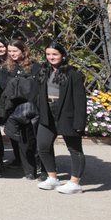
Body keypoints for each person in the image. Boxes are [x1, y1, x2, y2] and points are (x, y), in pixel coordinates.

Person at [33, 42, 87, 194]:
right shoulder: (44, 71)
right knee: (43, 146)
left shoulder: (73, 74)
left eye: (55, 54)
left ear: (62, 55)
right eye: (48, 54)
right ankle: (52, 177)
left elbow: (80, 100)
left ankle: (75, 183)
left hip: (66, 113)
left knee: (74, 149)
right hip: (47, 112)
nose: (51, 57)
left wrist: (79, 122)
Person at [0, 40, 43, 179]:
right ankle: (29, 170)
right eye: (10, 51)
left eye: (15, 51)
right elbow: (3, 85)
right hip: (14, 107)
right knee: (22, 139)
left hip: (31, 106)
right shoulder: (6, 67)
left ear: (23, 51)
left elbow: (37, 85)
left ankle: (41, 164)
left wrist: (19, 84)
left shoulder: (35, 66)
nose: (12, 54)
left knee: (35, 138)